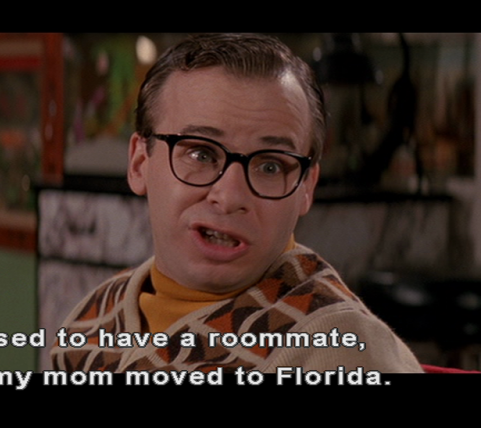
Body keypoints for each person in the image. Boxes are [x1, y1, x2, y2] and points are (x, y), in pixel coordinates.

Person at [50, 33, 424, 374]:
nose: (229, 198)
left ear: (306, 186)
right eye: (200, 154)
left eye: (270, 166)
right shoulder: (94, 315)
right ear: (138, 164)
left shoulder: (339, 348)